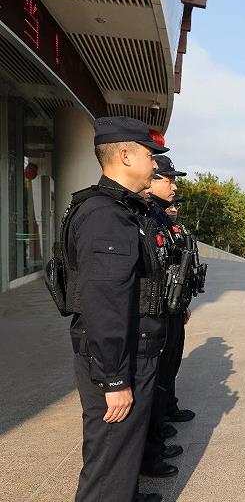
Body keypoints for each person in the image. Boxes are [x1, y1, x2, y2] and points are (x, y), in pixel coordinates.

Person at [63, 116, 169, 502]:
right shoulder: (105, 214)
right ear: (125, 155)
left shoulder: (122, 209)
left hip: (131, 348)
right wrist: (114, 380)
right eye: (148, 155)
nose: (154, 164)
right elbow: (105, 300)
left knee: (122, 452)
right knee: (109, 460)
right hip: (119, 356)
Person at [140, 155, 190, 478]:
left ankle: (155, 441)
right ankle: (151, 451)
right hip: (152, 314)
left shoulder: (159, 216)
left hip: (168, 307)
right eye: (168, 179)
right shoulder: (146, 215)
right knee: (154, 381)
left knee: (165, 373)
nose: (174, 187)